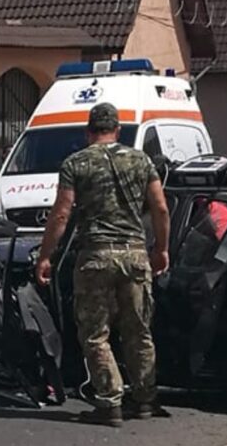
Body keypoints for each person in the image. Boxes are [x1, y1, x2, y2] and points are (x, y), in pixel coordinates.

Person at [36, 102, 170, 427]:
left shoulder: (75, 163)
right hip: (135, 254)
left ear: (88, 131)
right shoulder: (142, 160)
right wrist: (161, 250)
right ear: (118, 130)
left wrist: (46, 256)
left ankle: (110, 402)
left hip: (95, 256)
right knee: (138, 329)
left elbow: (63, 213)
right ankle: (145, 399)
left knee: (96, 333)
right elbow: (160, 208)